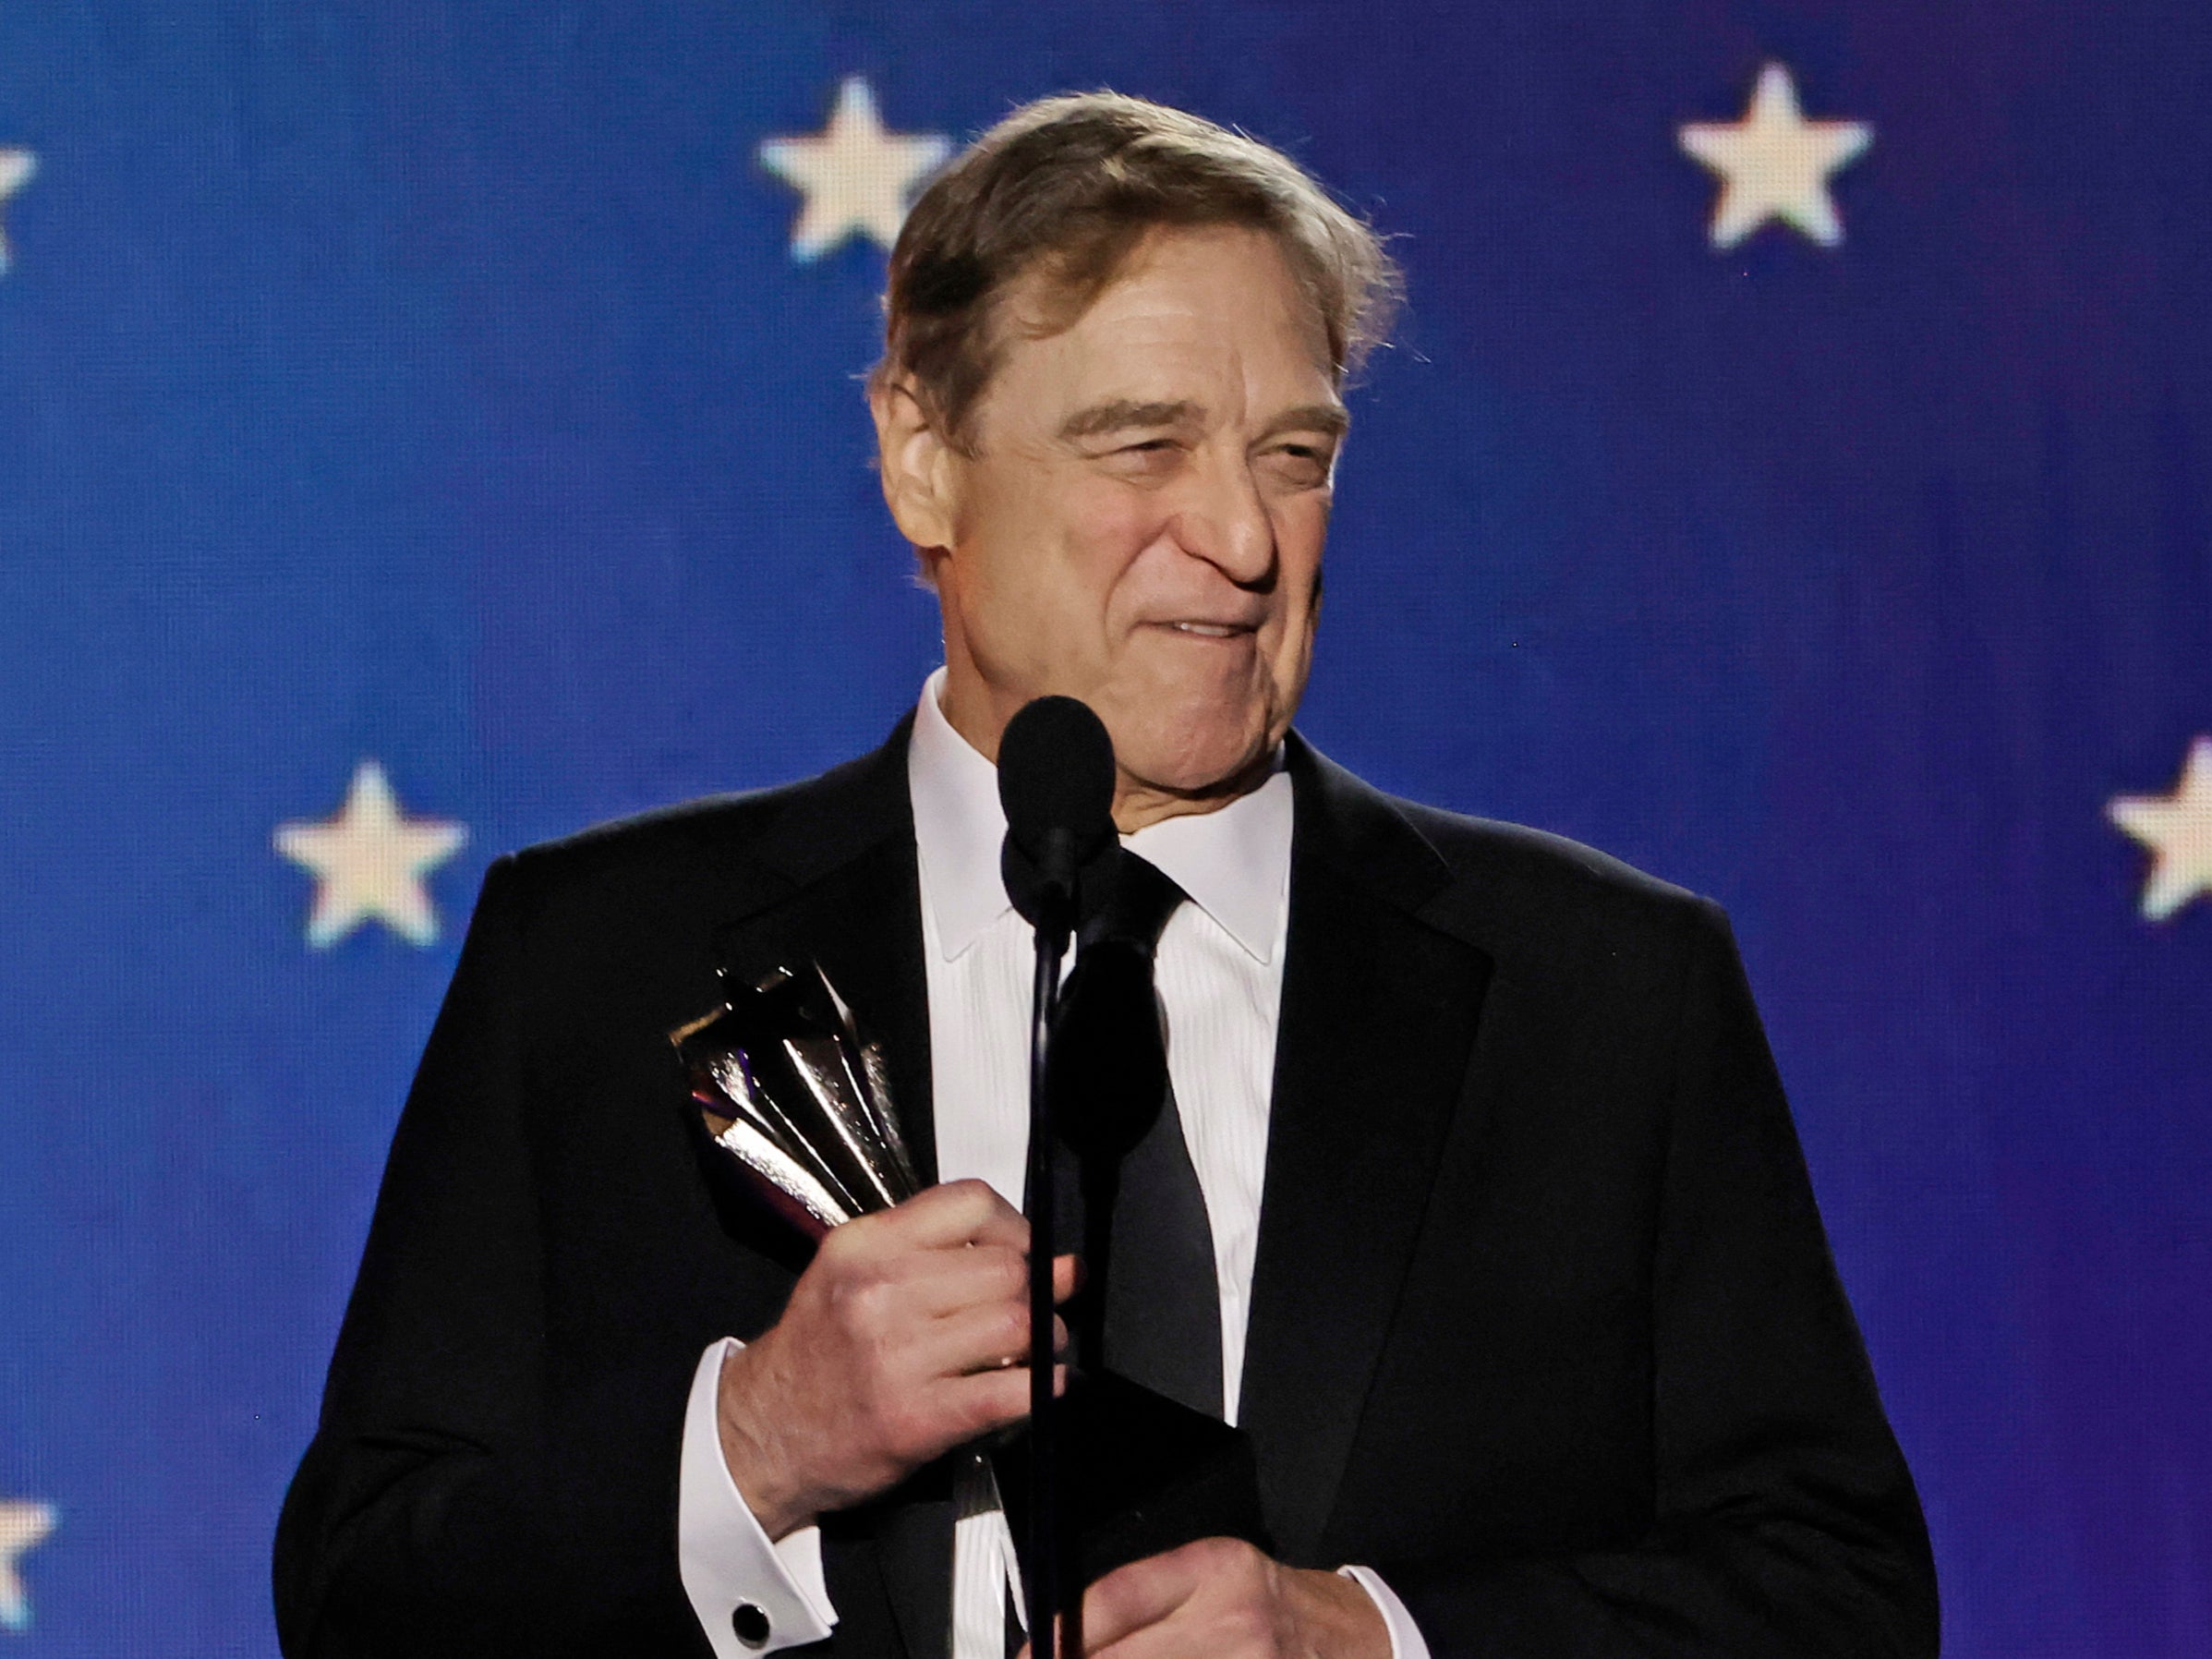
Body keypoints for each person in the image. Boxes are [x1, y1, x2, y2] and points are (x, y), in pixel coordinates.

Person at [272, 93, 1939, 1659]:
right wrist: (755, 1448)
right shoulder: (601, 968)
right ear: (923, 461)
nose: (1243, 536)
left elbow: (1840, 1593)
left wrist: (1369, 1636)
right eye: (1145, 445)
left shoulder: (1606, 998)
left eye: (1296, 453)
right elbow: (363, 1594)